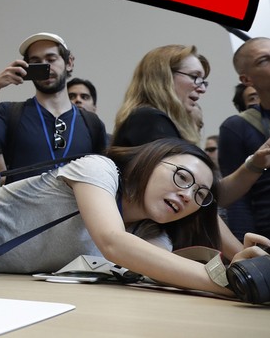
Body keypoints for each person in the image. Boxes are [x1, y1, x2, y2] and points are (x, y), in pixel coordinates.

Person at [0, 138, 270, 299]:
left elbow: (158, 269)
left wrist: (240, 266)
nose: (186, 195)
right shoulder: (97, 170)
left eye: (199, 195)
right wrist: (230, 280)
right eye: (182, 177)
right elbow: (112, 242)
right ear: (150, 160)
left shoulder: (146, 230)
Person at [111, 44, 268, 255]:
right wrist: (244, 259)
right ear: (162, 76)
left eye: (203, 81)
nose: (201, 88)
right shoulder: (150, 120)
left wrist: (254, 164)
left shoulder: (148, 119)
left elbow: (209, 197)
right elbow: (203, 207)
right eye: (195, 77)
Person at [0, 32, 108, 182]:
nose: (46, 66)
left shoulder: (91, 123)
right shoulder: (10, 113)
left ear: (69, 62)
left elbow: (103, 176)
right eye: (36, 62)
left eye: (51, 59)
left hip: (76, 204)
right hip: (21, 204)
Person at [217, 38, 270, 240]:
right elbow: (237, 201)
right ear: (247, 80)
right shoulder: (237, 127)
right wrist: (245, 254)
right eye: (263, 60)